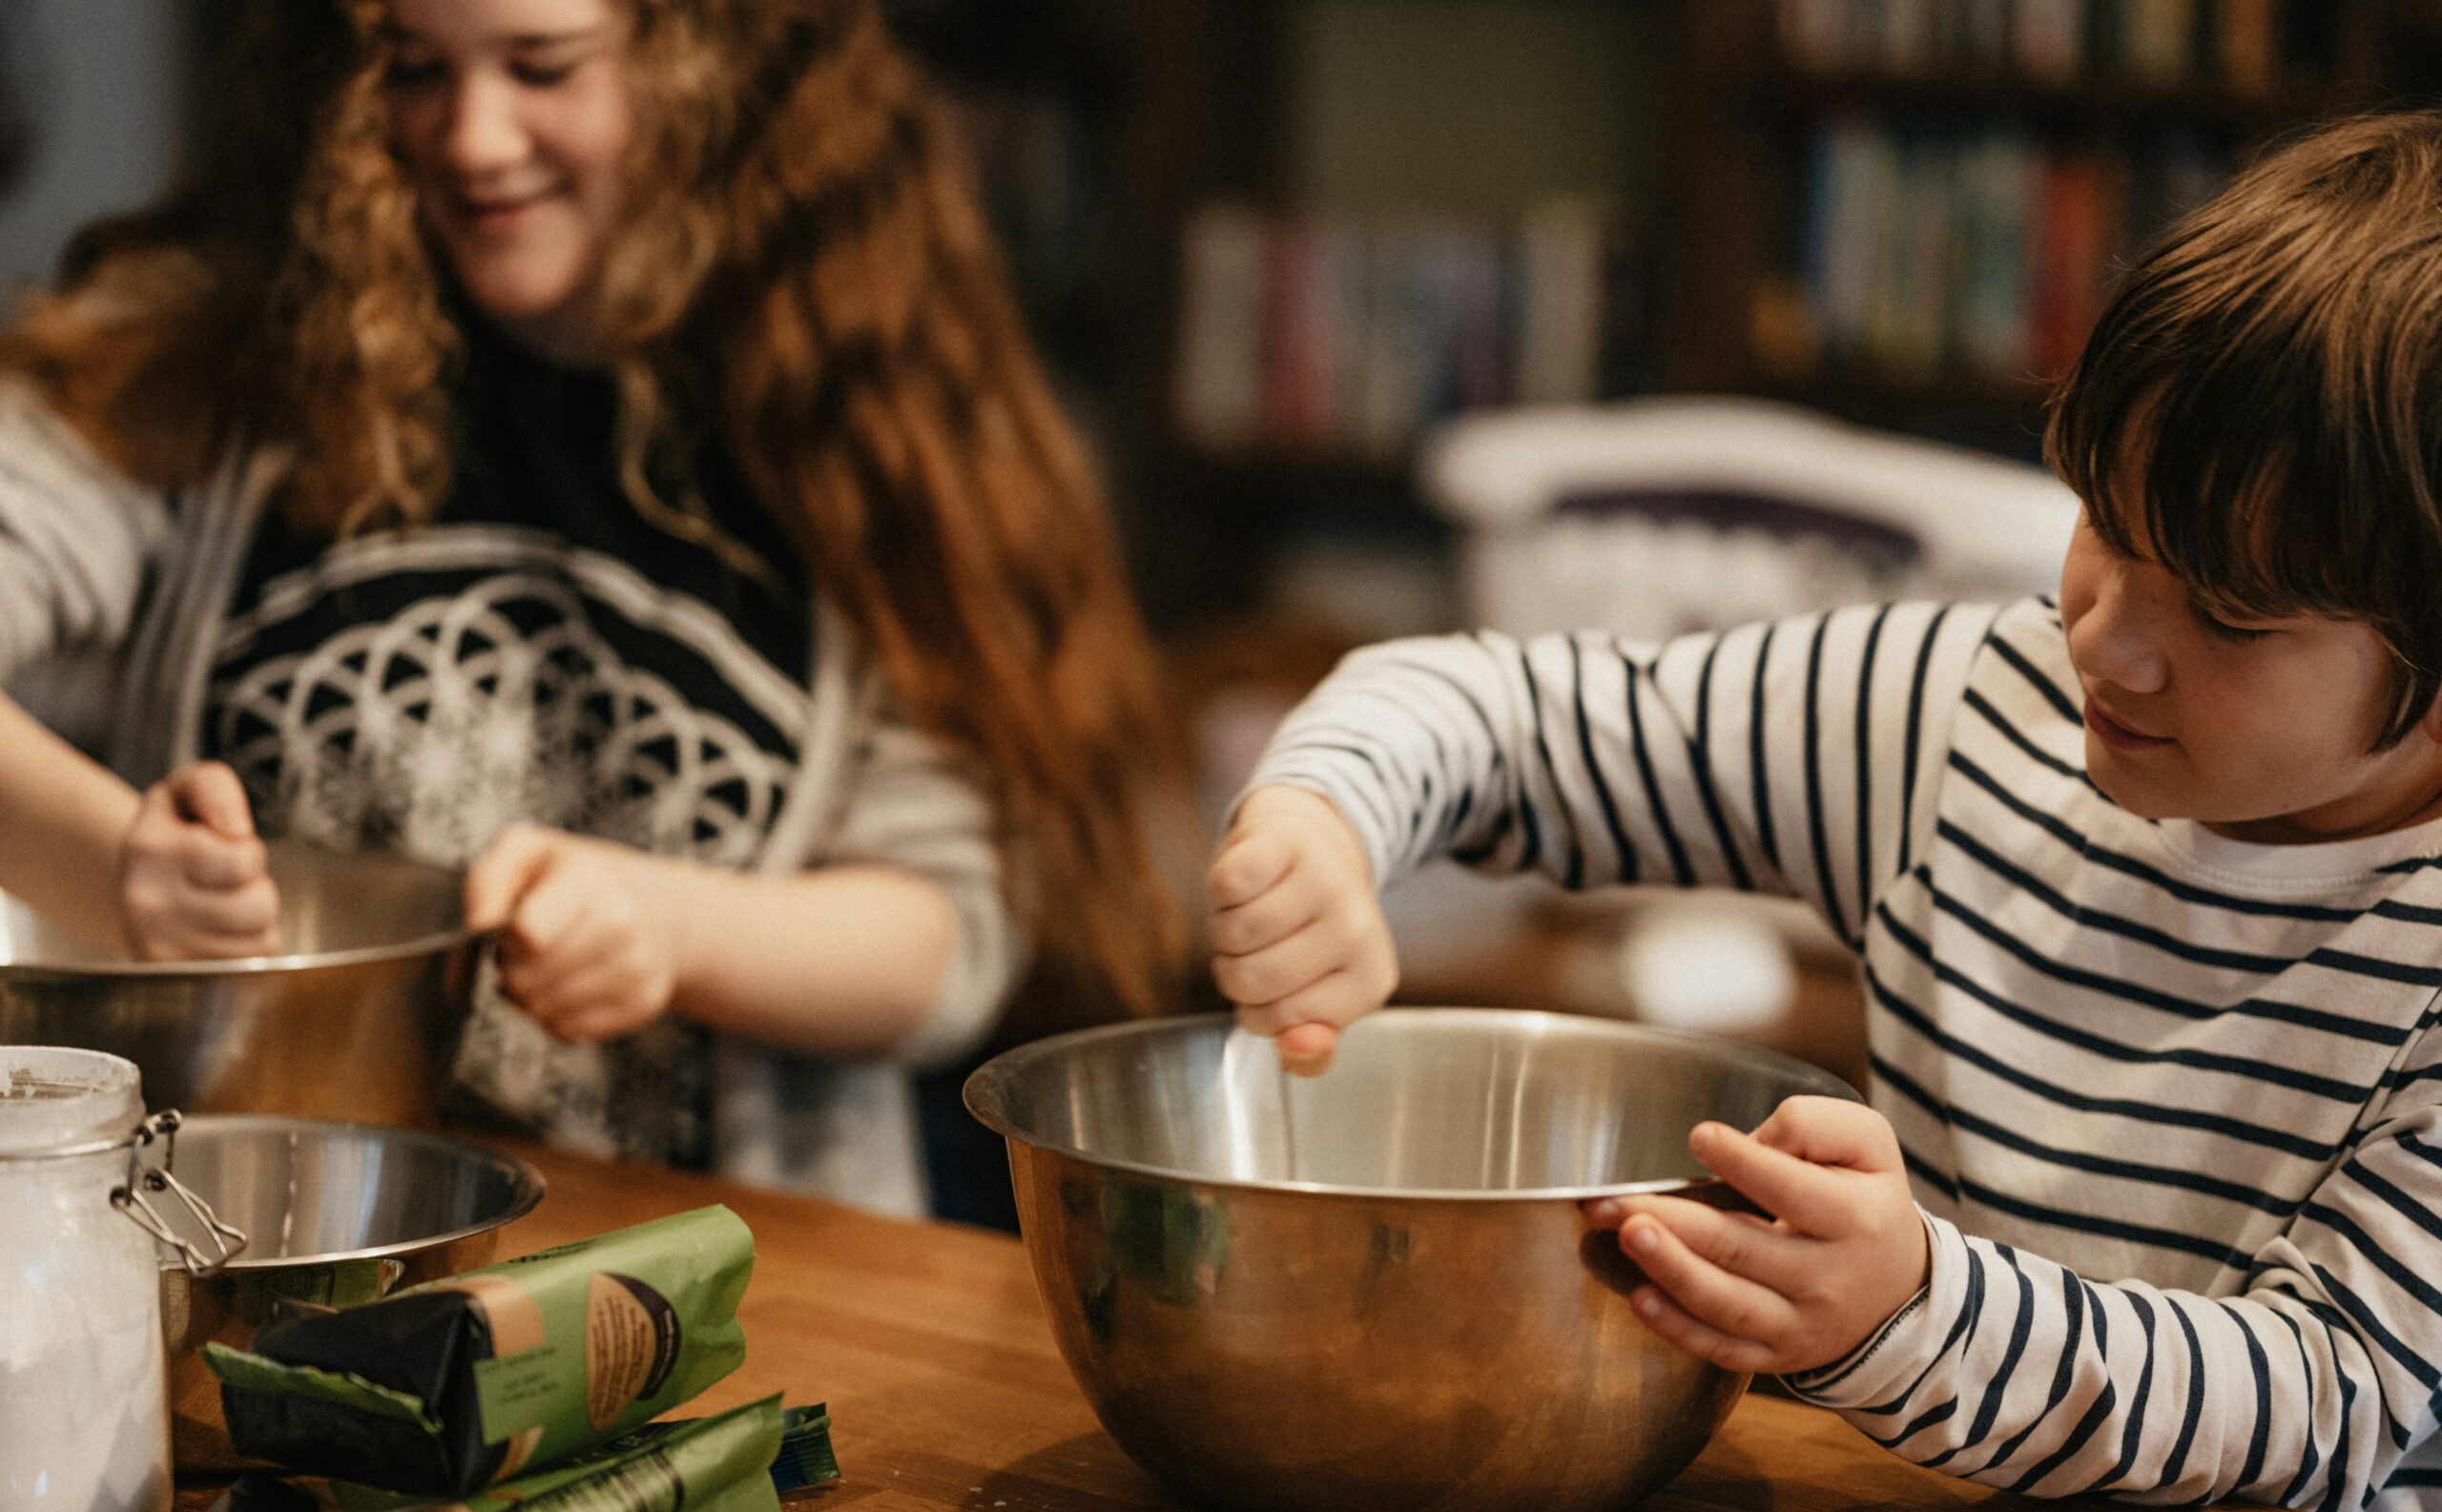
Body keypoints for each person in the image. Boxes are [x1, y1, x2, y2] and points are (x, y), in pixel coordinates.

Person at [1211, 109, 2442, 1504]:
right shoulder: (1964, 712)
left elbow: (2326, 1407)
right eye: (2106, 521)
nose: (2105, 640)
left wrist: (1912, 1309)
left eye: (2225, 613)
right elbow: (1500, 716)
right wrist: (1325, 818)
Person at [0, 0, 1182, 1216]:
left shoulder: (859, 411)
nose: (471, 138)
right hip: (233, 1237)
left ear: (706, 68)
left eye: (541, 66)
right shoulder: (203, 354)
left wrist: (669, 929)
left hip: (719, 1286)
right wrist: (110, 862)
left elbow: (945, 941)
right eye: (414, 71)